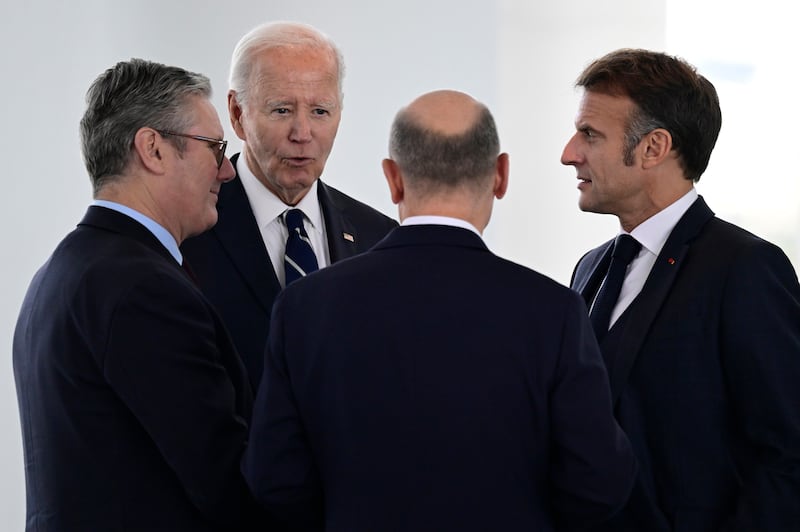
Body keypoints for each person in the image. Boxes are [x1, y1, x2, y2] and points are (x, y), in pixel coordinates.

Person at [242, 89, 637, 531]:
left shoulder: (304, 306)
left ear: (392, 178)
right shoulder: (553, 311)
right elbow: (597, 484)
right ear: (501, 176)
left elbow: (274, 480)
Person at [13, 59, 263, 531]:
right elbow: (226, 482)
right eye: (215, 148)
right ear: (153, 149)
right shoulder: (142, 288)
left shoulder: (59, 273)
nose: (226, 171)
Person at [562, 48, 800, 531]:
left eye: (590, 134)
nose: (569, 153)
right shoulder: (590, 269)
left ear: (653, 148)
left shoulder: (746, 268)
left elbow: (788, 457)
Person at [181, 21, 397, 390]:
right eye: (281, 110)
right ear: (237, 114)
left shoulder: (382, 239)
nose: (302, 134)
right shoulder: (187, 233)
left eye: (320, 112)